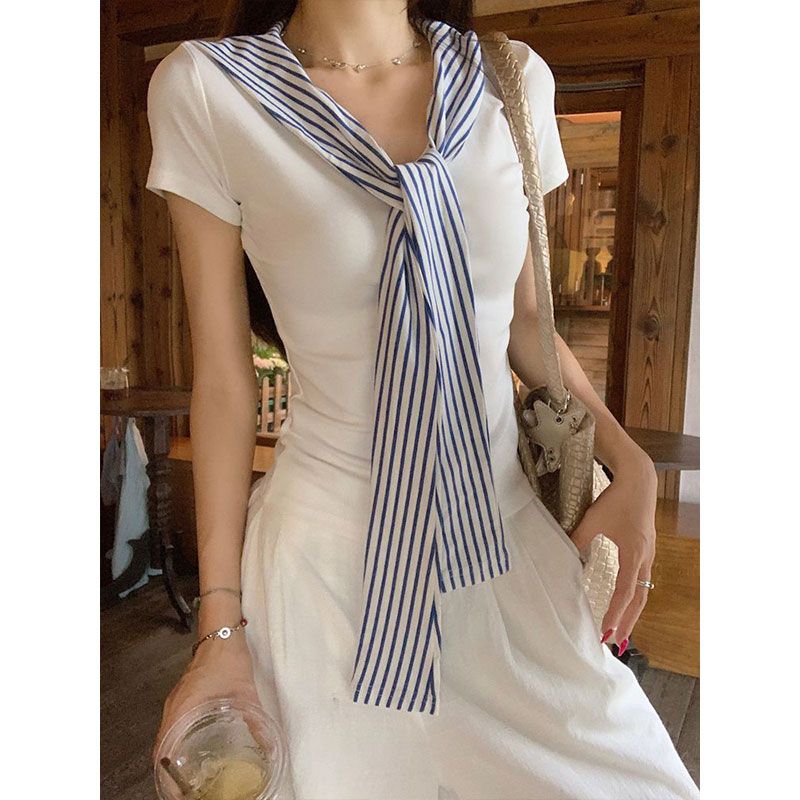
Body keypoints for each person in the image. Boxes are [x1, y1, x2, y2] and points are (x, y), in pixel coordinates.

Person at [145, 1, 701, 797]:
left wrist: (632, 463)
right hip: (325, 572)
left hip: (503, 550)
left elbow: (526, 324)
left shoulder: (510, 81)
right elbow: (226, 379)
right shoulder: (208, 89)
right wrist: (219, 629)